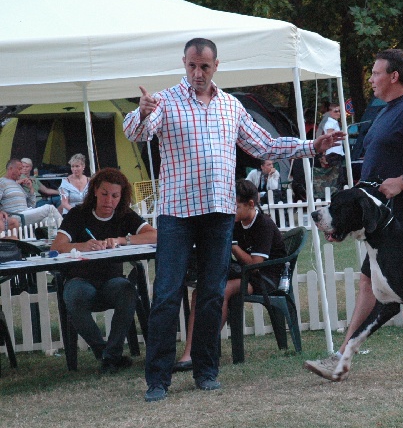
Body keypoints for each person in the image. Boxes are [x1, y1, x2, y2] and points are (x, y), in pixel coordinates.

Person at [123, 37, 344, 402]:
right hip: (177, 213)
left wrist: (311, 146)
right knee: (166, 294)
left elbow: (265, 145)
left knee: (211, 294)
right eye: (192, 65)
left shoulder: (230, 106)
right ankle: (158, 380)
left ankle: (206, 371)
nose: (197, 73)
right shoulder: (164, 101)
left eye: (204, 66)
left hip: (219, 213)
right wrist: (142, 111)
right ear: (184, 63)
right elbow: (137, 133)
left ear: (216, 66)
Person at [303, 48, 403, 381]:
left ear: (394, 76)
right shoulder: (389, 110)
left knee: (371, 284)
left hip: (401, 217)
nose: (370, 79)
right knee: (395, 289)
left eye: (375, 73)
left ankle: (341, 357)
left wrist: (402, 182)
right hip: (380, 218)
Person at [50, 168, 157, 373]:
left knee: (127, 291)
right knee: (73, 295)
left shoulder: (124, 215)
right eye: (104, 194)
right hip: (81, 279)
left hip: (112, 280)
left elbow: (155, 235)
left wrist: (120, 240)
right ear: (95, 192)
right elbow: (56, 246)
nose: (109, 200)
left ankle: (112, 354)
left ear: (121, 197)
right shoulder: (78, 214)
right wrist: (83, 245)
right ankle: (104, 352)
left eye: (115, 196)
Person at [174, 179, 286, 372]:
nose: (230, 211)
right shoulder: (237, 223)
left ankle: (203, 350)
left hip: (266, 278)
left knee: (222, 290)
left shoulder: (263, 224)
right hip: (245, 275)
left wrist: (232, 244)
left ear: (251, 204)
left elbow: (256, 266)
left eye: (235, 206)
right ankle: (189, 353)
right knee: (200, 292)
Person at [0, 159, 63, 225]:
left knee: (49, 221)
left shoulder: (17, 185)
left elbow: (32, 205)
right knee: (49, 208)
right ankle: (66, 231)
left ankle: (59, 234)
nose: (21, 172)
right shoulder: (2, 182)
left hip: (26, 213)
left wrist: (31, 188)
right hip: (16, 216)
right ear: (10, 169)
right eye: (19, 169)